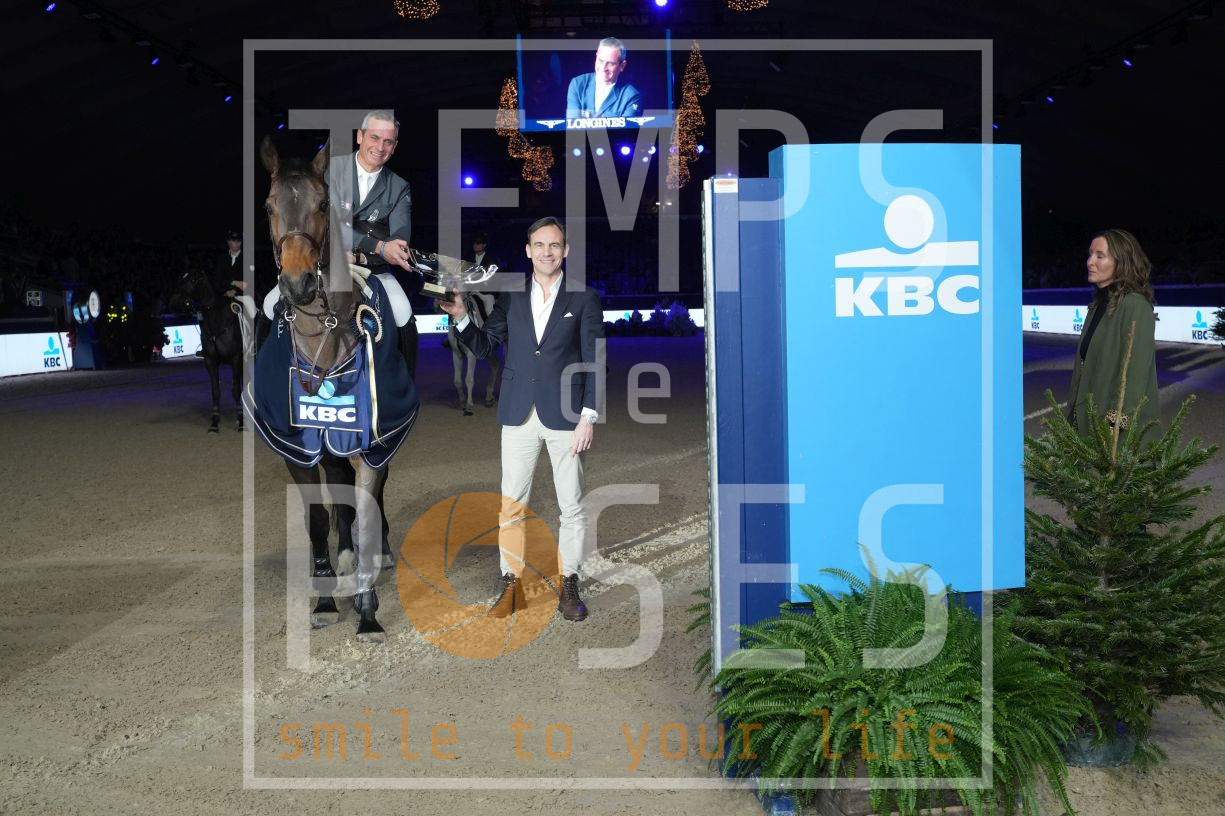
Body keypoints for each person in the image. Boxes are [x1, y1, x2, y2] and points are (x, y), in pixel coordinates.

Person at [439, 217, 603, 621]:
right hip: (517, 413)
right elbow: (484, 346)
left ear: (565, 250)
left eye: (555, 244)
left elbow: (594, 361)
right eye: (540, 245)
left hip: (566, 415)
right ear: (528, 251)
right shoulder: (511, 296)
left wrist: (588, 417)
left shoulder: (584, 298)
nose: (548, 251)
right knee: (511, 505)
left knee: (571, 507)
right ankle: (511, 585)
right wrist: (461, 317)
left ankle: (569, 585)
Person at [328, 109, 421, 376]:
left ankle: (405, 385)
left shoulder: (399, 186)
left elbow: (399, 240)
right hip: (327, 263)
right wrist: (377, 245)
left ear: (395, 146)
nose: (380, 147)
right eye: (374, 138)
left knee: (402, 312)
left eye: (388, 141)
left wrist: (363, 256)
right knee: (271, 304)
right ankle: (264, 381)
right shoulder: (332, 170)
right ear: (360, 136)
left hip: (373, 269)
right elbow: (331, 226)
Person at [1067, 228, 1159, 437]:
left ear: (1122, 262)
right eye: (1090, 254)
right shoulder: (1098, 305)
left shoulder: (1135, 306)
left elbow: (1135, 376)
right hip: (1088, 423)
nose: (1090, 262)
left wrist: (1113, 427)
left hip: (1115, 436)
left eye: (1100, 256)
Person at [566, 37, 642, 120]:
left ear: (622, 66)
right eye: (601, 61)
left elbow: (628, 128)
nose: (603, 68)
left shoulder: (631, 96)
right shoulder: (578, 84)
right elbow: (573, 125)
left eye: (610, 63)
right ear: (596, 57)